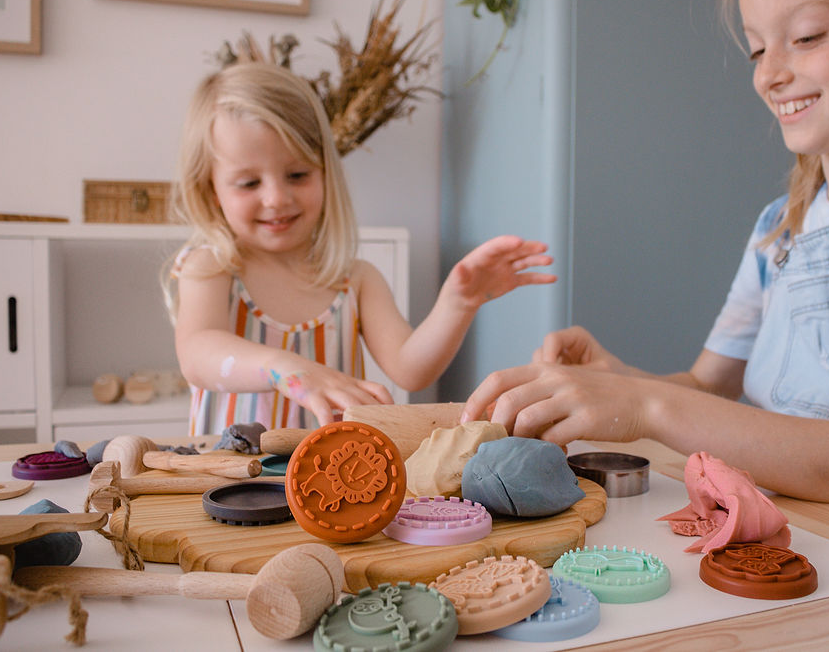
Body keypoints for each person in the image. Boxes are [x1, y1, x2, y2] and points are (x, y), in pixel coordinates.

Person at [461, 0, 829, 548]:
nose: (769, 73)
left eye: (806, 36)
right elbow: (709, 386)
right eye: (758, 47)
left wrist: (649, 404)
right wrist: (616, 382)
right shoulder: (780, 227)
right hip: (789, 539)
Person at [166, 62, 556, 435]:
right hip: (231, 487)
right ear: (210, 190)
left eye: (297, 175)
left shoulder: (355, 279)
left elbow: (410, 370)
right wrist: (283, 367)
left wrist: (457, 303)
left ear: (324, 173)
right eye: (249, 183)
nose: (276, 198)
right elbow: (198, 353)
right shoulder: (211, 267)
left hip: (330, 485)